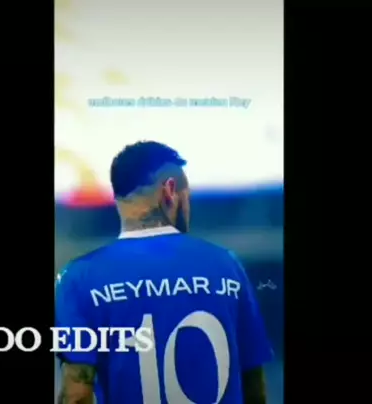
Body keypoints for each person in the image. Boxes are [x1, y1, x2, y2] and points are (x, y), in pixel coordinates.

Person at [55, 141, 273, 403]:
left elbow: (76, 395)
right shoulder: (227, 266)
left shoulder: (78, 279)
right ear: (170, 190)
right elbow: (254, 388)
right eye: (187, 194)